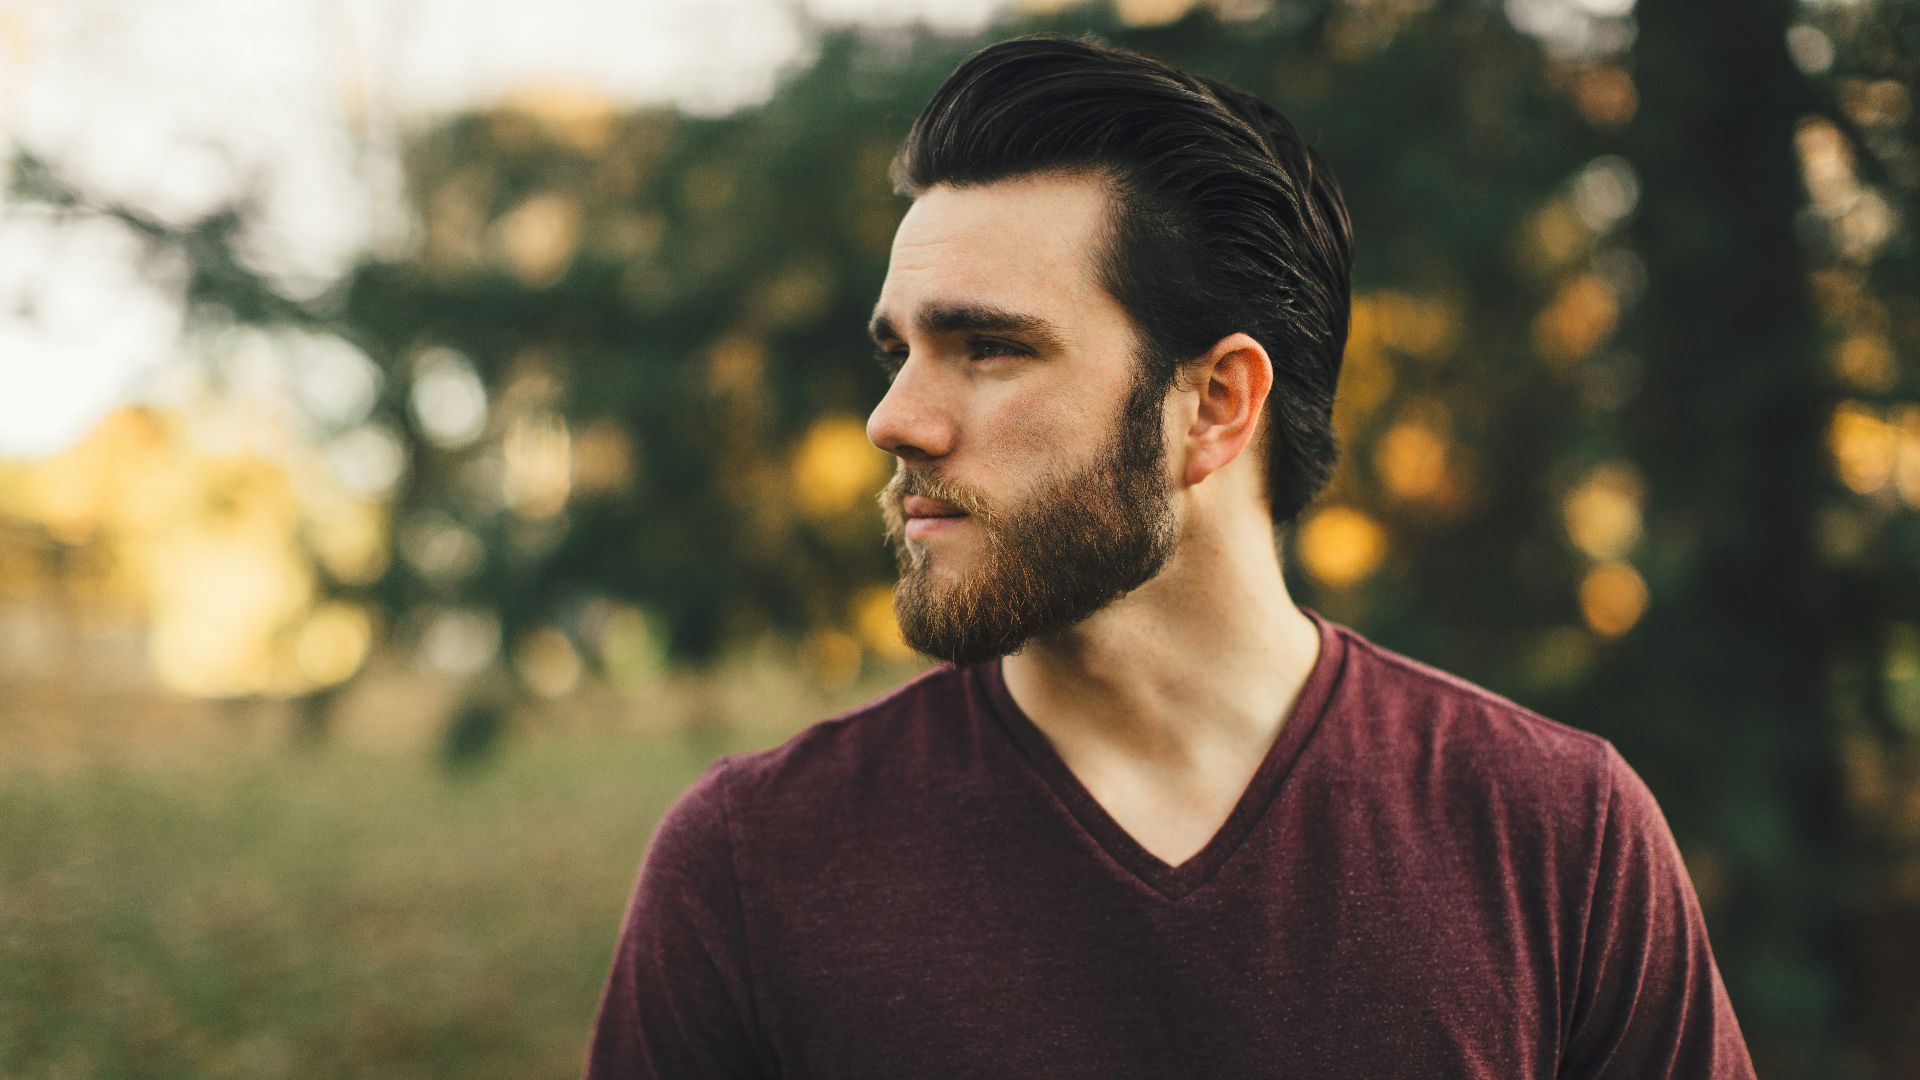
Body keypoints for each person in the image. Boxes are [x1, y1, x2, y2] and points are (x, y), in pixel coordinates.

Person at [585, 33, 1756, 1079]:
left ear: (1216, 404)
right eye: (900, 352)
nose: (893, 420)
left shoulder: (1554, 836)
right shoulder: (755, 865)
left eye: (989, 347)